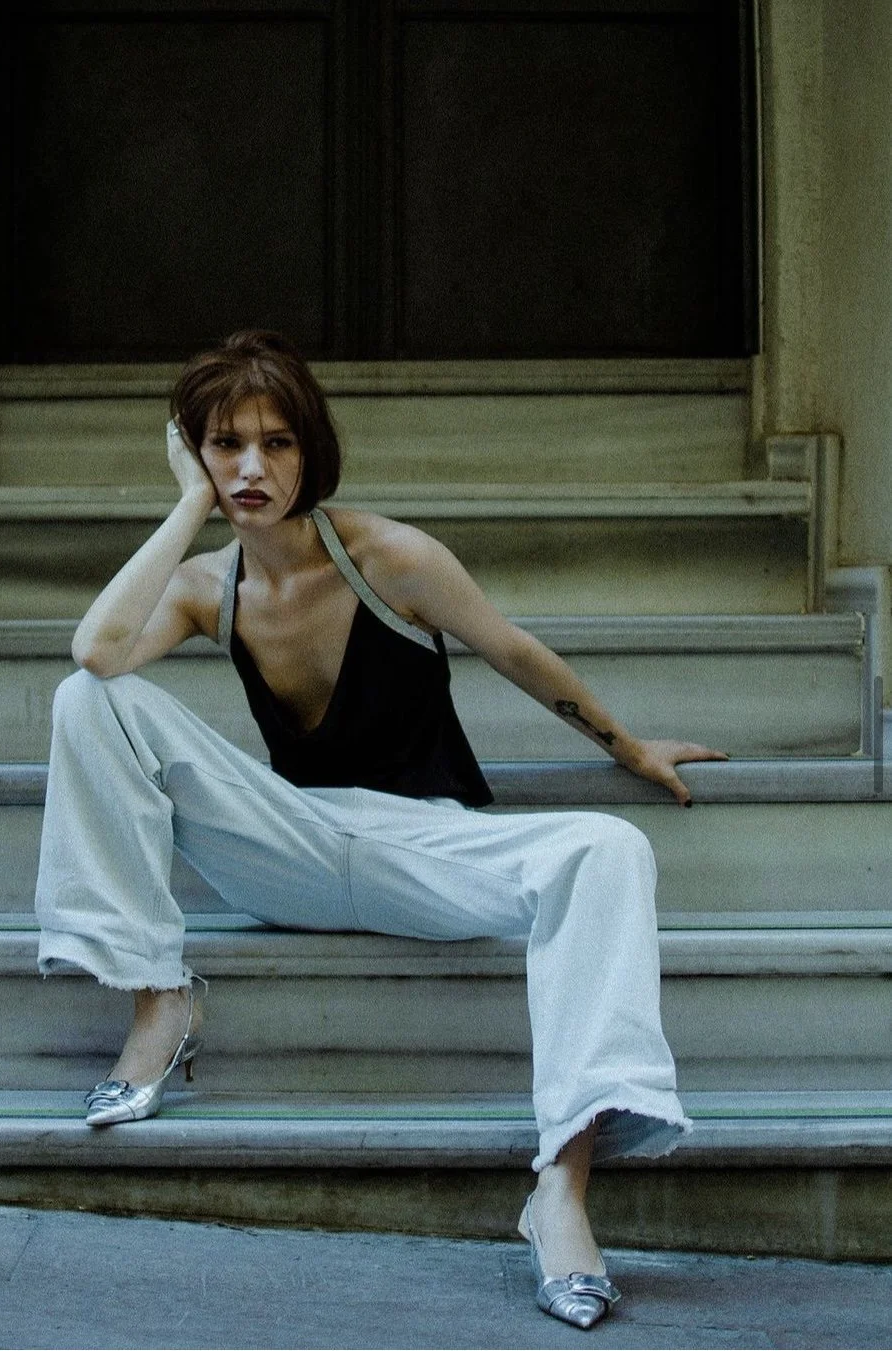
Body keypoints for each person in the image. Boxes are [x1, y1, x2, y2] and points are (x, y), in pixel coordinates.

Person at [35, 329, 727, 1329]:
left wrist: (628, 745)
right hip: (289, 846)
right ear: (196, 453)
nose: (251, 468)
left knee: (611, 847)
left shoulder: (392, 556)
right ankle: (159, 998)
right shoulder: (203, 586)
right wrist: (189, 506)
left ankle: (562, 1187)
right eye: (226, 445)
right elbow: (97, 652)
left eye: (276, 443)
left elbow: (513, 651)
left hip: (424, 847)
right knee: (87, 699)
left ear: (310, 449)